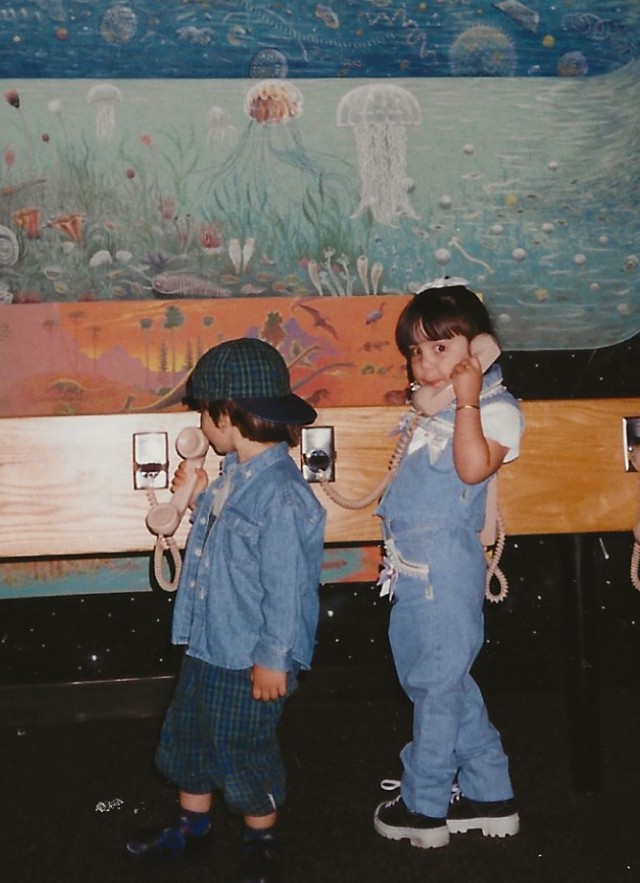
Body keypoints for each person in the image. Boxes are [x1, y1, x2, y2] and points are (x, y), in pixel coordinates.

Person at [126, 338, 326, 883]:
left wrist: (274, 658)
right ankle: (193, 829)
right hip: (209, 643)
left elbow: (288, 589)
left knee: (243, 748)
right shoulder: (237, 474)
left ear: (224, 415)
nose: (200, 423)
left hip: (250, 656)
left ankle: (262, 838)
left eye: (202, 412)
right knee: (189, 734)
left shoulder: (282, 496)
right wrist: (194, 499)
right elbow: (223, 537)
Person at [373, 283, 524, 849]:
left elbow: (470, 469)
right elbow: (419, 410)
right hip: (411, 567)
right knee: (439, 679)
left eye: (440, 348)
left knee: (435, 685)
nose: (424, 363)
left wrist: (465, 398)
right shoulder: (431, 406)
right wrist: (427, 398)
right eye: (416, 351)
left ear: (480, 348)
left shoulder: (497, 412)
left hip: (444, 566)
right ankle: (490, 792)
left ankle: (425, 805)